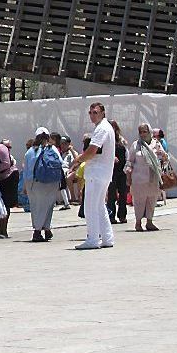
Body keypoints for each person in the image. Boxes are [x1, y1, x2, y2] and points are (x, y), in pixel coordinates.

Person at [74, 102, 116, 250]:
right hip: (103, 173)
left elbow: (92, 150)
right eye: (91, 113)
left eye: (95, 112)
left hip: (97, 173)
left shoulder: (102, 129)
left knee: (90, 206)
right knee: (99, 206)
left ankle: (92, 238)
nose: (93, 115)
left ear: (103, 113)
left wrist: (79, 159)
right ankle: (107, 237)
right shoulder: (105, 127)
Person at [25, 127, 61, 242]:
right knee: (48, 206)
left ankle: (39, 229)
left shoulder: (30, 151)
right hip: (50, 181)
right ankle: (42, 230)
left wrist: (25, 186)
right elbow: (60, 163)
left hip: (32, 182)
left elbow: (26, 169)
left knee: (36, 207)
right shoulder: (52, 149)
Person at [127, 123, 164, 232]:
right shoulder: (136, 145)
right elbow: (130, 161)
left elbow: (164, 158)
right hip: (139, 179)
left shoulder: (156, 144)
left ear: (150, 132)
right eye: (141, 132)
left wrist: (162, 155)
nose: (143, 134)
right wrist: (128, 175)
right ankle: (138, 223)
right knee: (139, 201)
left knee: (152, 200)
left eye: (145, 132)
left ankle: (149, 222)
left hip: (153, 178)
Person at [106, 121, 129, 224]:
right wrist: (111, 157)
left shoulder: (121, 140)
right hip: (111, 171)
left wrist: (127, 168)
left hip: (122, 170)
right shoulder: (105, 140)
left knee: (123, 193)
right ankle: (111, 216)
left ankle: (122, 215)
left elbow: (127, 154)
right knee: (111, 195)